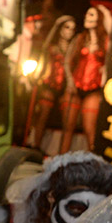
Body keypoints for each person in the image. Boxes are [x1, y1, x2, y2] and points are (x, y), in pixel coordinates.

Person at [60, 6, 112, 153]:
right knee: (67, 127)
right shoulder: (79, 39)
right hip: (75, 87)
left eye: (91, 14)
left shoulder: (106, 41)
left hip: (94, 89)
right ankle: (61, 160)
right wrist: (70, 82)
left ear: (99, 18)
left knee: (90, 128)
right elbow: (68, 61)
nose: (86, 17)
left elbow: (111, 63)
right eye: (86, 14)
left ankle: (92, 163)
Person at [29, 15, 76, 150]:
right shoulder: (52, 46)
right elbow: (44, 47)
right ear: (60, 29)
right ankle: (36, 145)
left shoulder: (73, 48)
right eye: (67, 28)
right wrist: (56, 24)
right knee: (42, 116)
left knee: (67, 121)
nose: (69, 32)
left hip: (65, 87)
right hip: (50, 84)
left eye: (72, 29)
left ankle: (62, 152)